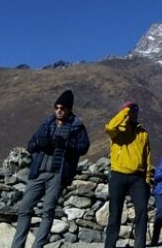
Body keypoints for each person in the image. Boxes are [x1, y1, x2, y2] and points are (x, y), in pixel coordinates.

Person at [12, 90, 90, 248]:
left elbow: (84, 147)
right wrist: (39, 144)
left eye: (62, 108)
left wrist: (68, 145)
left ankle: (37, 246)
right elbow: (30, 145)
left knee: (48, 211)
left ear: (68, 109)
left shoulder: (76, 126)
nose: (58, 110)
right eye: (56, 107)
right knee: (24, 208)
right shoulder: (46, 123)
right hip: (38, 172)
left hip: (57, 174)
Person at [104, 102, 151, 248]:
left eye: (135, 111)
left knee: (142, 212)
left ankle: (140, 245)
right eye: (130, 111)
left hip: (138, 178)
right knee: (115, 213)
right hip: (118, 175)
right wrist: (124, 112)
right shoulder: (117, 131)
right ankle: (110, 245)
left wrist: (147, 180)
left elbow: (147, 158)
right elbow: (110, 127)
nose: (133, 113)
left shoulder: (143, 134)